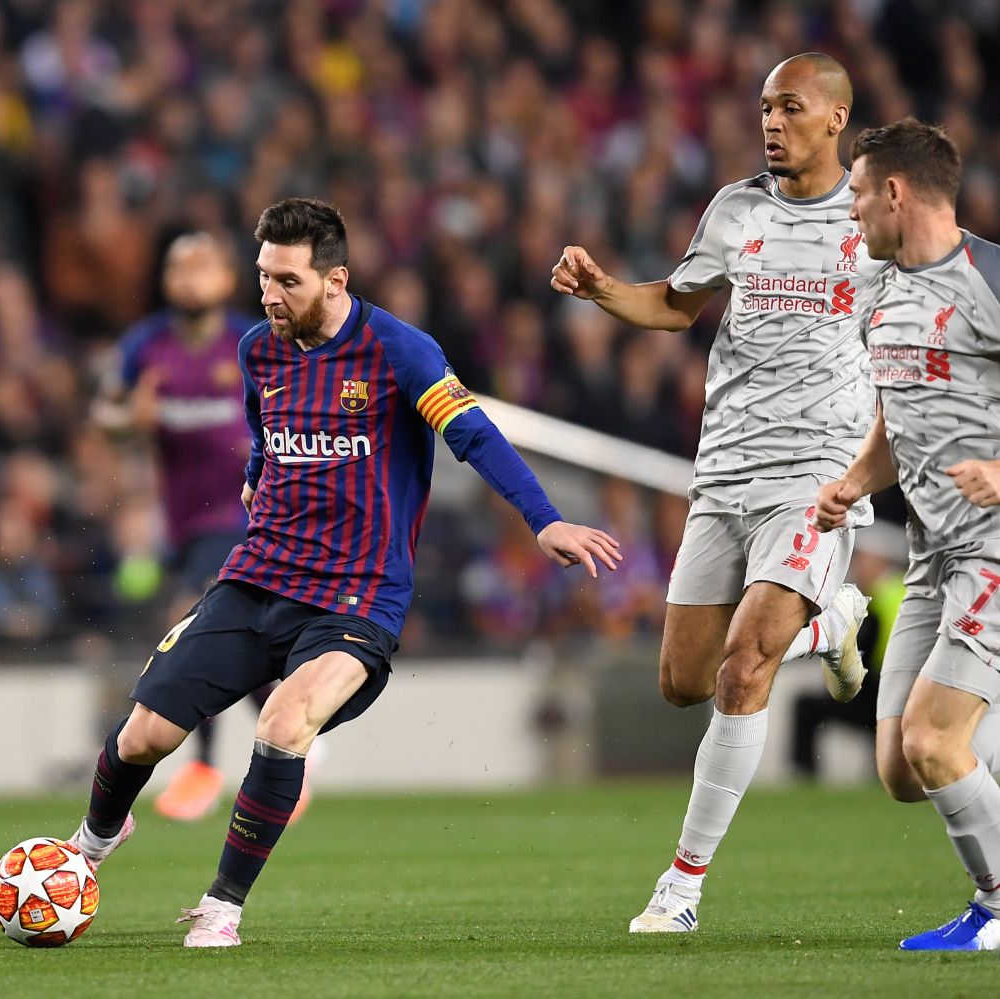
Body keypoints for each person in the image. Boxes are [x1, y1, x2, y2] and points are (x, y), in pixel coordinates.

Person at [62, 197, 621, 947]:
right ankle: (89, 847)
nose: (268, 295)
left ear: (335, 280)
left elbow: (473, 434)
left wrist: (542, 517)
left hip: (355, 598)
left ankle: (222, 906)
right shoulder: (258, 349)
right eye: (263, 276)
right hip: (258, 574)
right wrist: (256, 476)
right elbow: (264, 425)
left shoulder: (399, 350)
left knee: (282, 721)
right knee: (141, 737)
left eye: (287, 280)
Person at [550, 52, 875, 933]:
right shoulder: (736, 208)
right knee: (684, 680)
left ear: (835, 119)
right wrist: (601, 289)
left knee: (742, 664)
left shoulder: (870, 215)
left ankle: (681, 886)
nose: (770, 122)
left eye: (790, 107)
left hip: (815, 475)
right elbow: (675, 304)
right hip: (723, 469)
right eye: (765, 107)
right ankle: (830, 625)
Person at [816, 118, 1000, 951]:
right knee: (899, 765)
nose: (849, 207)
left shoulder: (987, 279)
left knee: (932, 738)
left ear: (894, 191)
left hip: (992, 548)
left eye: (856, 191)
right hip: (931, 554)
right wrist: (856, 479)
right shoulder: (880, 291)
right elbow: (900, 415)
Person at [94, 231, 281, 823]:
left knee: (191, 619)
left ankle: (202, 766)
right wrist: (129, 419)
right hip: (180, 523)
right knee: (228, 638)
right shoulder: (145, 344)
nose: (189, 277)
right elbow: (105, 413)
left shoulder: (251, 342)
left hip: (243, 512)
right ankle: (287, 734)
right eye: (179, 267)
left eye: (203, 266)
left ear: (228, 278)